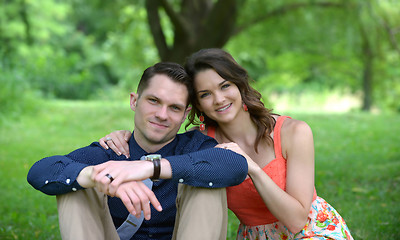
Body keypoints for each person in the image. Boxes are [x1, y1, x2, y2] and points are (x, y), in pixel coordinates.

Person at [101, 48, 354, 239]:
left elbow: (297, 220)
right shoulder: (202, 142)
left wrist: (251, 168)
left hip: (313, 231)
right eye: (205, 94)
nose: (219, 99)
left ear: (239, 85)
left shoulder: (293, 132)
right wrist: (124, 136)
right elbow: (163, 143)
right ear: (198, 105)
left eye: (225, 86)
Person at [27, 62, 248, 240]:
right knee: (76, 183)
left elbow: (235, 165)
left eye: (174, 108)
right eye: (154, 101)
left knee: (205, 180)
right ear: (135, 101)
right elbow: (40, 171)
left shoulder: (195, 146)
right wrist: (95, 176)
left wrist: (149, 168)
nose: (162, 114)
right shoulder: (111, 152)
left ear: (184, 114)